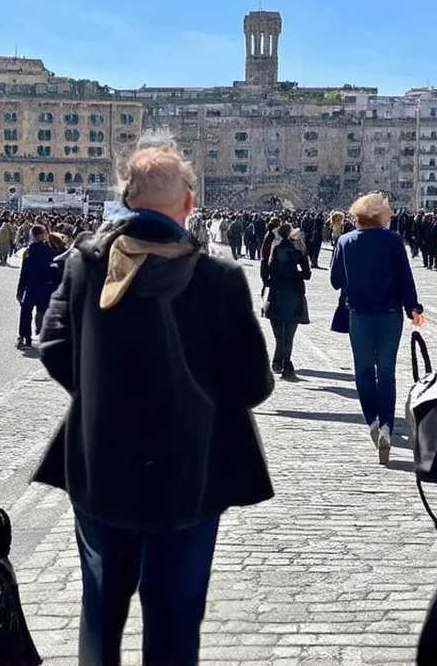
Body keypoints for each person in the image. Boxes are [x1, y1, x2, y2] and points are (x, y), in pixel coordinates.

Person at [33, 146, 274, 665]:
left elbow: (53, 349)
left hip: (101, 460)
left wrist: (102, 394)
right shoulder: (219, 279)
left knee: (101, 605)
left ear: (126, 200)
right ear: (188, 204)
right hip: (193, 468)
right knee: (175, 611)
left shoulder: (84, 263)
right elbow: (254, 385)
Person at [331, 192, 423, 465]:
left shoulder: (346, 241)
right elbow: (405, 277)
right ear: (377, 214)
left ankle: (372, 421)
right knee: (387, 372)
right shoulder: (393, 241)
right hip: (390, 315)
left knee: (362, 371)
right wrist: (414, 308)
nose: (391, 213)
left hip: (359, 315)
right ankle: (386, 426)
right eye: (387, 209)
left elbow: (336, 280)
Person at [262, 223, 312, 381]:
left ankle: (278, 362)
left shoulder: (274, 248)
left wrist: (268, 279)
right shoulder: (298, 250)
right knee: (289, 335)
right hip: (294, 292)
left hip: (276, 292)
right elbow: (307, 274)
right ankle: (286, 363)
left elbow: (266, 271)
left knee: (279, 334)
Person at [16, 224, 57, 349]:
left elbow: (24, 273)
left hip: (31, 287)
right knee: (43, 311)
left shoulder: (29, 251)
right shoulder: (50, 250)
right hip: (46, 287)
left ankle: (25, 336)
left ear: (33, 236)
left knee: (26, 312)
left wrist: (19, 290)